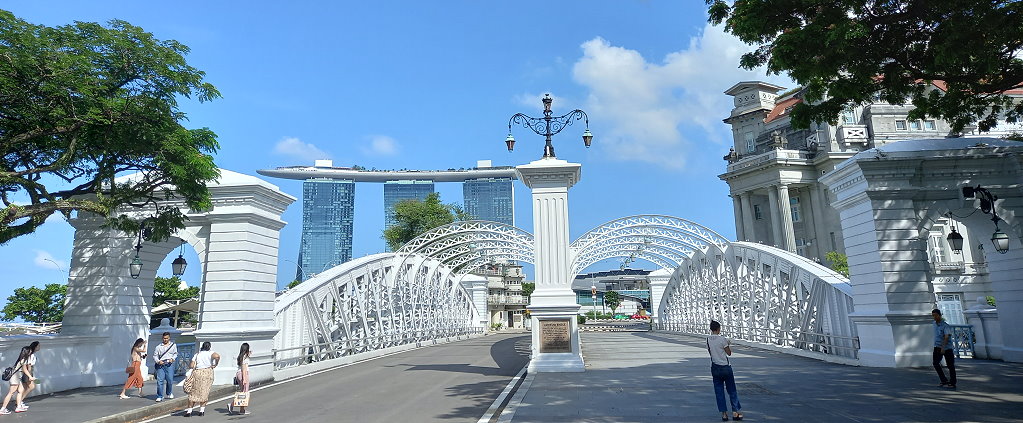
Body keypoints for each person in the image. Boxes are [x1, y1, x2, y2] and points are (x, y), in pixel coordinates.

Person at [707, 320, 742, 421]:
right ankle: (735, 412)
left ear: (711, 329)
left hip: (715, 367)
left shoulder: (708, 339)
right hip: (725, 367)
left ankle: (724, 414)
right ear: (718, 329)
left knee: (719, 391)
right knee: (732, 390)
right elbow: (729, 353)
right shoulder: (722, 339)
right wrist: (728, 343)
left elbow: (711, 352)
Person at [184, 342, 220, 417]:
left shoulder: (197, 354)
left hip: (198, 373)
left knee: (193, 391)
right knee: (204, 391)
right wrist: (215, 364)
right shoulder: (210, 353)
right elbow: (217, 356)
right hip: (207, 372)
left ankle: (189, 411)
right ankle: (201, 410)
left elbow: (191, 365)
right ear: (209, 347)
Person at [0, 346, 33, 414]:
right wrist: (30, 376)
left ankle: (18, 407)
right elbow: (24, 370)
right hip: (15, 377)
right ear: (27, 352)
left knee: (20, 391)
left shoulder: (22, 359)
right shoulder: (23, 360)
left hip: (18, 377)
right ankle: (3, 409)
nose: (31, 352)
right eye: (29, 351)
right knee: (11, 393)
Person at [932, 309, 957, 389]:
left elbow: (946, 337)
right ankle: (944, 380)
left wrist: (943, 347)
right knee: (935, 363)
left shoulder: (945, 326)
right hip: (937, 346)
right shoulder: (934, 324)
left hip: (947, 347)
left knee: (950, 365)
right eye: (933, 315)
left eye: (936, 315)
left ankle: (952, 382)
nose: (934, 317)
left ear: (940, 315)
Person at [152, 332, 178, 402]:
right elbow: (155, 356)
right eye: (164, 338)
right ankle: (160, 395)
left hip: (169, 364)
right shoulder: (158, 347)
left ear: (169, 338)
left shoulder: (173, 345)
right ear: (162, 338)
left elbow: (175, 353)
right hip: (161, 364)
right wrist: (158, 361)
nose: (165, 340)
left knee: (169, 380)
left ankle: (169, 393)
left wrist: (172, 359)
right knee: (160, 381)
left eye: (167, 338)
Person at [229, 343, 251, 415]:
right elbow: (244, 369)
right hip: (243, 374)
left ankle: (239, 408)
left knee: (242, 392)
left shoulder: (241, 356)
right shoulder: (245, 358)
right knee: (245, 392)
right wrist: (245, 379)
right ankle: (238, 408)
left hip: (238, 374)